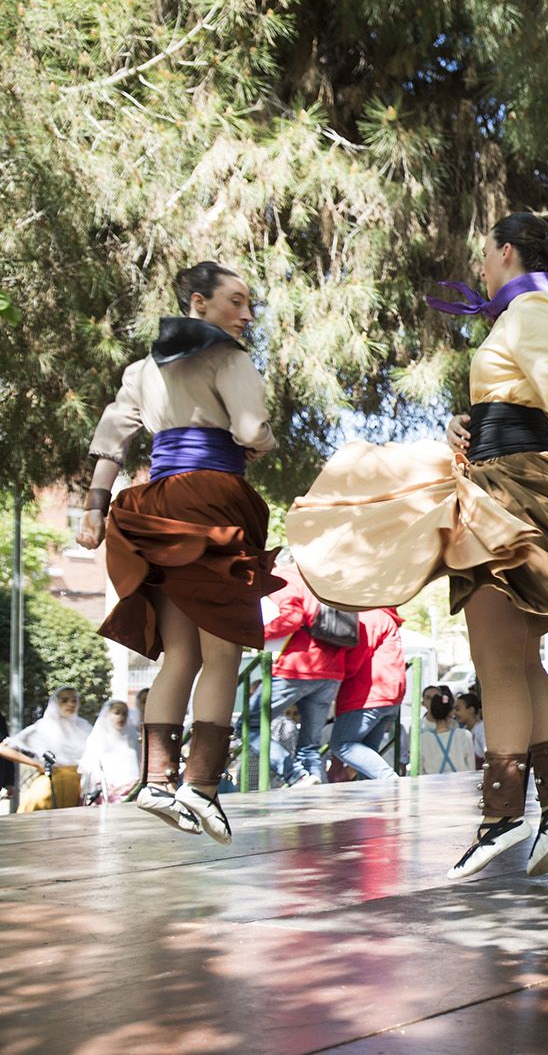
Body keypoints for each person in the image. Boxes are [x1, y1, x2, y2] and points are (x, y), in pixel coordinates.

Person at [286, 211, 548, 880]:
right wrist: (468, 426)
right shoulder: (518, 316)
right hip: (493, 485)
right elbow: (520, 400)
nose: (479, 264)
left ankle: (502, 815)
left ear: (506, 252)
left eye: (485, 251)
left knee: (496, 660)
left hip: (509, 496)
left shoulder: (532, 309)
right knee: (517, 658)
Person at [75, 260, 284, 843]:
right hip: (214, 501)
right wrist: (262, 441)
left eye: (250, 304)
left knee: (180, 657)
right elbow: (249, 430)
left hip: (159, 507)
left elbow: (112, 439)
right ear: (198, 302)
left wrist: (94, 508)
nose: (246, 315)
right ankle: (202, 788)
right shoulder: (229, 358)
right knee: (222, 657)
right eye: (236, 301)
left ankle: (157, 782)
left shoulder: (142, 369)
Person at [261, 560, 352, 784]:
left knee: (251, 724)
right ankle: (316, 799)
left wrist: (257, 634)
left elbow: (292, 616)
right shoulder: (329, 577)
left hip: (299, 665)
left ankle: (296, 775)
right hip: (332, 668)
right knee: (310, 744)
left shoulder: (287, 576)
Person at [329, 608, 406, 780]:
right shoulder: (386, 617)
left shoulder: (370, 615)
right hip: (387, 695)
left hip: (367, 695)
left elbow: (356, 655)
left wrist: (334, 671)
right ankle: (376, 801)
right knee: (367, 752)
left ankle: (390, 780)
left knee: (341, 744)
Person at [0, 687, 93, 811]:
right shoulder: (44, 726)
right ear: (55, 703)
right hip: (51, 785)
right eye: (64, 700)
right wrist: (37, 764)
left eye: (74, 700)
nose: (71, 704)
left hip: (78, 787)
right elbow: (3, 748)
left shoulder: (84, 727)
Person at [79, 699, 142, 804]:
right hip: (105, 795)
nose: (121, 717)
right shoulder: (97, 739)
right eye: (117, 713)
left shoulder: (135, 738)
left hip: (132, 794)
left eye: (125, 713)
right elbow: (89, 769)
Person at [418, 689, 475, 775]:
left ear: (432, 712)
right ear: (451, 712)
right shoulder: (464, 735)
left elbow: (420, 770)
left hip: (433, 786)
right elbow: (471, 767)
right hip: (461, 785)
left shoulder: (423, 739)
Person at [453, 692, 486, 769]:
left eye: (457, 709)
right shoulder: (463, 732)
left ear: (471, 710)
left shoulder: (482, 730)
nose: (454, 713)